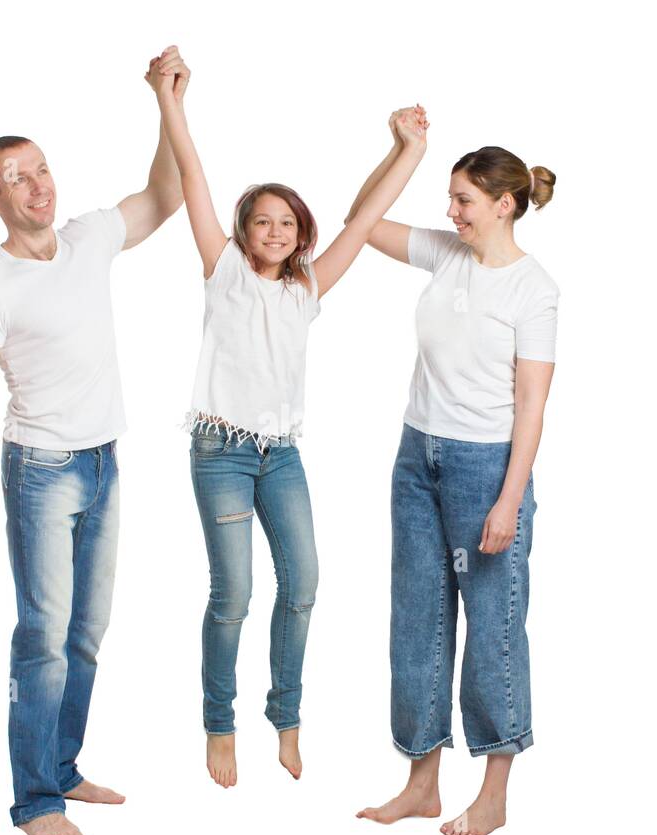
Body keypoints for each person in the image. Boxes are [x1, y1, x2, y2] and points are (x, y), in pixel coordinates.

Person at [151, 48, 428, 788]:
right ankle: (219, 722)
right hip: (221, 451)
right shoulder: (224, 270)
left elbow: (367, 215)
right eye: (262, 221)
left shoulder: (308, 285)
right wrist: (171, 98)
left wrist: (409, 148)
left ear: (300, 232)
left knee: (303, 584)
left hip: (282, 456)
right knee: (233, 595)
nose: (274, 231)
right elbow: (195, 179)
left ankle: (287, 713)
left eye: (286, 222)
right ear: (243, 231)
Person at [0, 52, 189, 835]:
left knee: (88, 631)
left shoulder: (87, 237)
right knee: (42, 640)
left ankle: (63, 763)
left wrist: (165, 102)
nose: (38, 185)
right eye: (18, 178)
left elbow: (165, 195)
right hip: (41, 473)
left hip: (104, 462)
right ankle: (33, 800)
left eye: (42, 169)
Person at [353, 136, 560, 835]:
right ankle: (422, 783)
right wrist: (398, 150)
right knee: (418, 621)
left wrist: (509, 498)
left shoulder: (535, 290)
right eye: (450, 199)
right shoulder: (446, 252)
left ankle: (495, 792)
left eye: (464, 201)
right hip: (418, 457)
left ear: (505, 206)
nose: (451, 211)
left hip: (485, 470)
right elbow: (361, 219)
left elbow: (531, 404)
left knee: (493, 628)